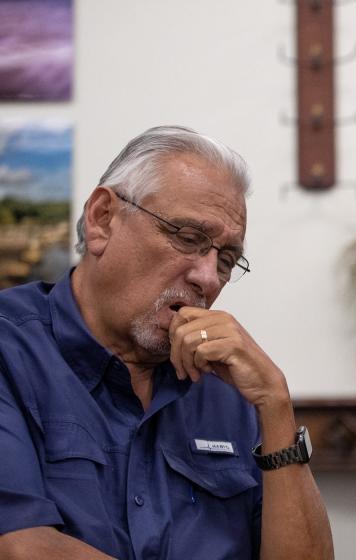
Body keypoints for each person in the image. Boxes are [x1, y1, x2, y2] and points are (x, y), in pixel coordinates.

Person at [0, 127, 334, 559]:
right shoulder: (12, 348)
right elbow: (22, 547)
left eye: (227, 259)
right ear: (103, 219)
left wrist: (275, 403)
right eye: (189, 238)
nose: (209, 278)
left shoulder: (228, 389)